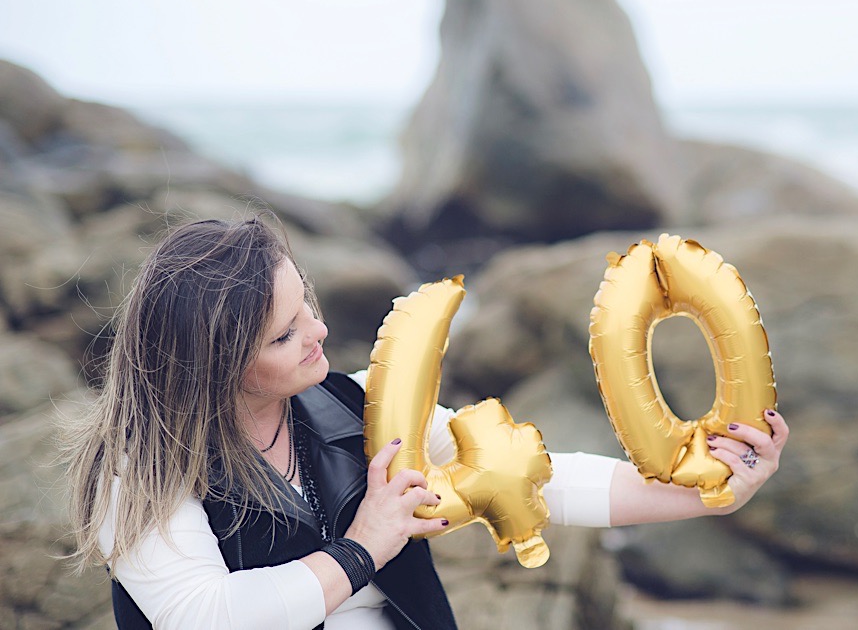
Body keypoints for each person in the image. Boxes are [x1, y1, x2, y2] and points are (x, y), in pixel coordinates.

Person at [65, 215, 789, 630]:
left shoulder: (356, 404)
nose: (318, 330)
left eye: (306, 303)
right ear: (214, 364)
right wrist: (365, 547)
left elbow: (543, 479)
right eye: (284, 335)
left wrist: (709, 491)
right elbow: (205, 616)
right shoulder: (138, 473)